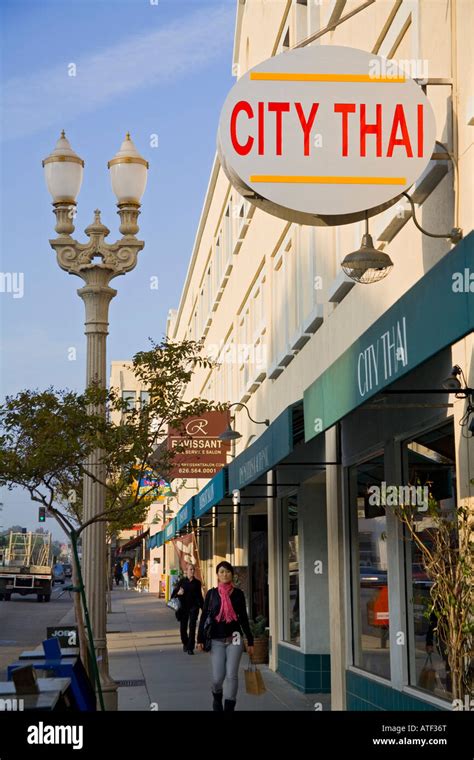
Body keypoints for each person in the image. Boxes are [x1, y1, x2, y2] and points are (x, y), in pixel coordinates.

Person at [197, 561, 254, 712]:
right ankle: (217, 697)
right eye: (221, 572)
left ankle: (229, 707)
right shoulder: (211, 594)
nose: (224, 574)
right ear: (217, 575)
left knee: (231, 675)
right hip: (216, 639)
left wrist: (250, 639)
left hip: (235, 638)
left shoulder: (238, 594)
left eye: (227, 571)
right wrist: (200, 639)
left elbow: (243, 618)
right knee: (217, 679)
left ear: (232, 575)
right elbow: (204, 618)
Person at [171, 564, 203, 655]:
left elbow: (200, 597)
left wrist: (203, 607)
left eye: (193, 569)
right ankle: (185, 642)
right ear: (186, 570)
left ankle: (190, 647)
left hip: (194, 607)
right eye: (190, 569)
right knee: (183, 629)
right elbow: (173, 595)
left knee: (192, 627)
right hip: (183, 608)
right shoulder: (182, 582)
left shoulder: (197, 583)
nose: (192, 571)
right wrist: (179, 593)